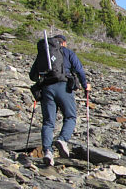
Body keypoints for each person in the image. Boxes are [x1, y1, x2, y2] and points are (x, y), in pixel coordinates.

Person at [29, 34, 90, 166]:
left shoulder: (43, 55)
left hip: (46, 89)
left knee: (48, 122)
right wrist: (85, 86)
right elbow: (79, 70)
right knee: (70, 116)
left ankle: (48, 152)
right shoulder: (67, 52)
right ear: (63, 43)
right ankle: (62, 139)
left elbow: (32, 76)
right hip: (63, 87)